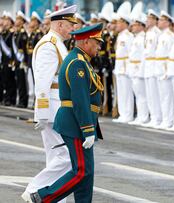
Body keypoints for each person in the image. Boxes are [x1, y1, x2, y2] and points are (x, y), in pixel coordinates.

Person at [30, 23, 104, 203]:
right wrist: (87, 130)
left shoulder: (81, 60)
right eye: (97, 43)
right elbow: (80, 100)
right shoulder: (77, 63)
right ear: (86, 42)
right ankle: (44, 196)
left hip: (80, 122)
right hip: (76, 124)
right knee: (80, 171)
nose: (99, 47)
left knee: (87, 173)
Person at [21, 5, 77, 203]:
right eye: (70, 24)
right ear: (60, 24)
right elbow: (43, 82)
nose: (73, 28)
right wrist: (42, 113)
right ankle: (34, 190)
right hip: (53, 109)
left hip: (58, 107)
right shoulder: (49, 45)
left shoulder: (57, 43)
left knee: (57, 156)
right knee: (66, 157)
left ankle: (53, 197)